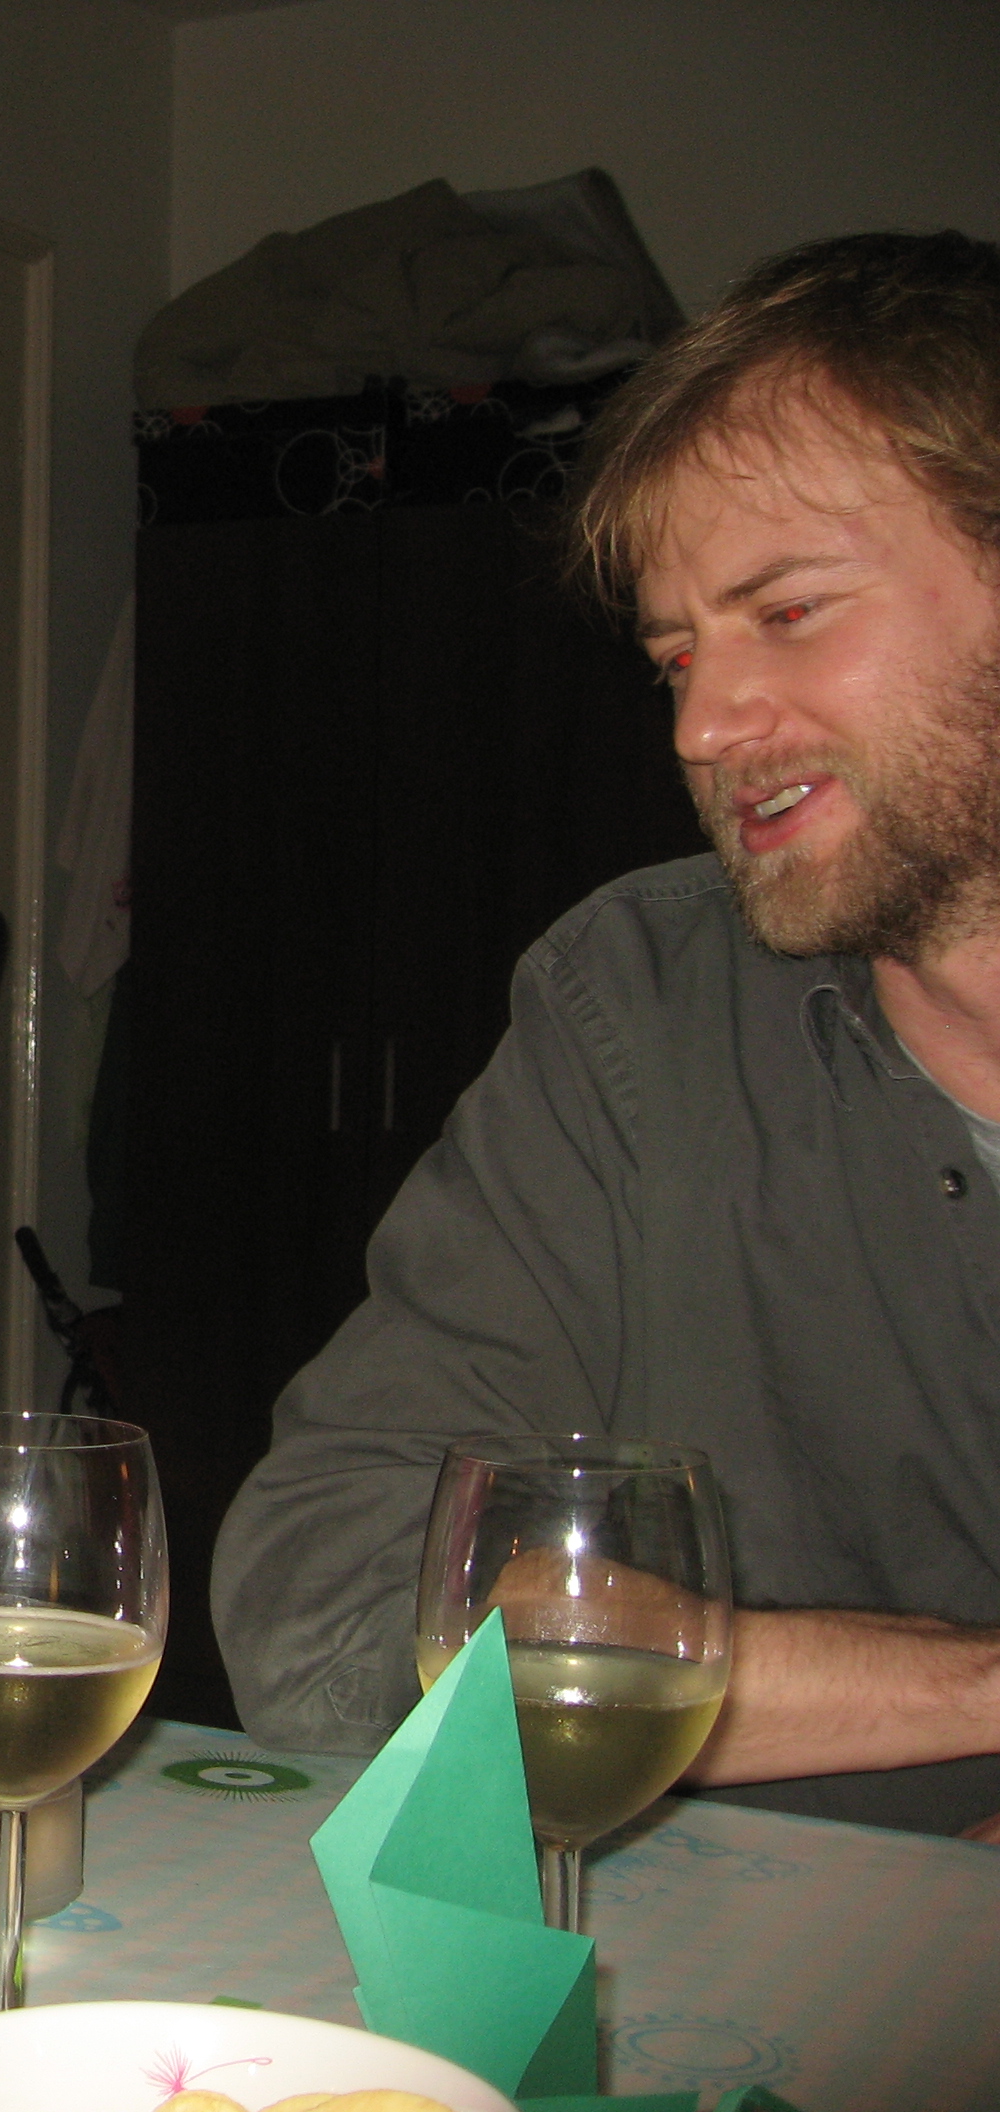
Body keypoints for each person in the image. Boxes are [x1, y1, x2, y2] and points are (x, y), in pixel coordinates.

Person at [212, 229, 1000, 1839]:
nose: (704, 725)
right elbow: (332, 1597)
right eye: (677, 658)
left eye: (789, 611)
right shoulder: (641, 1003)